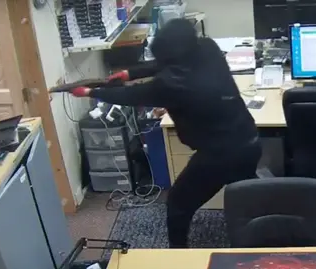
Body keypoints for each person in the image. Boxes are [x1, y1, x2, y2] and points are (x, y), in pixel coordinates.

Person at [70, 18, 261, 248]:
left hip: (218, 156)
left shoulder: (174, 84)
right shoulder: (207, 49)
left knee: (178, 204)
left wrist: (92, 92)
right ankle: (268, 230)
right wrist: (129, 73)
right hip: (249, 141)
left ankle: (177, 255)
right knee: (252, 196)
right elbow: (161, 66)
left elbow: (133, 96)